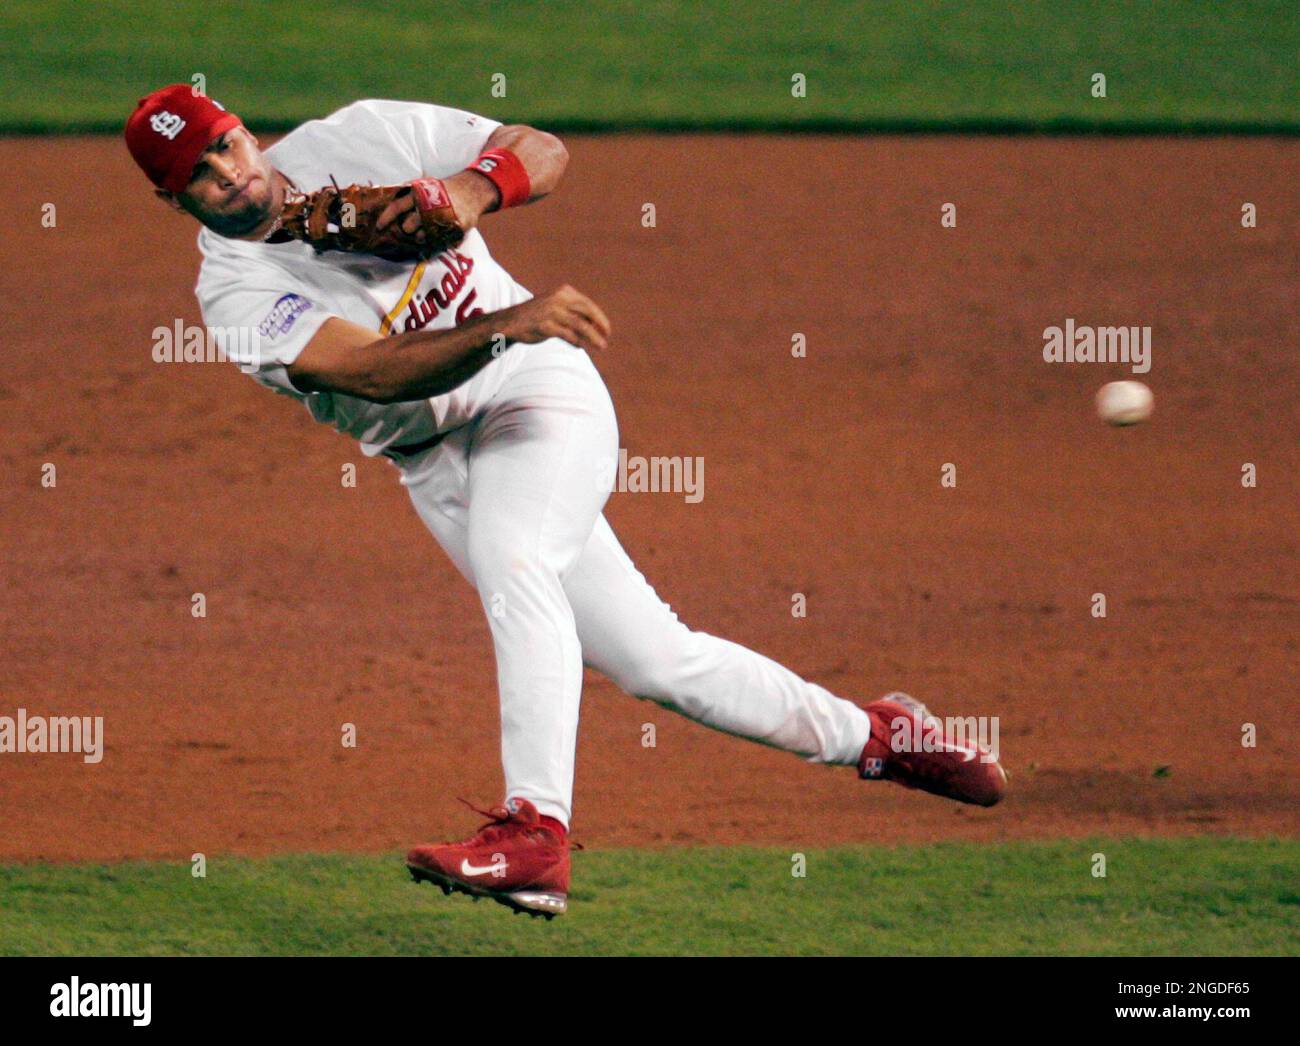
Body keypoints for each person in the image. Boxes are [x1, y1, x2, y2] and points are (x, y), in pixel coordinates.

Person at [125, 84, 1005, 919]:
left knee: (518, 565)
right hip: (440, 457)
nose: (228, 172)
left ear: (242, 127)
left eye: (225, 144)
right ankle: (883, 737)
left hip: (534, 388)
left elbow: (540, 148)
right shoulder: (232, 292)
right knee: (660, 662)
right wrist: (500, 321)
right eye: (197, 175)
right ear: (175, 204)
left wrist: (475, 187)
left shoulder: (361, 134)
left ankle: (533, 832)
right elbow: (366, 371)